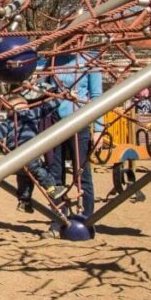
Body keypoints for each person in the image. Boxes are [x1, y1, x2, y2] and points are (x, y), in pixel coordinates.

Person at [0, 84, 68, 213]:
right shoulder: (30, 114)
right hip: (28, 154)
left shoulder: (8, 122)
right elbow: (48, 107)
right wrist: (62, 96)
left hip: (14, 159)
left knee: (24, 178)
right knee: (40, 171)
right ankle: (52, 189)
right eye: (25, 105)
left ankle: (24, 201)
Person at [45, 52, 103, 217]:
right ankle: (58, 218)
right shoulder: (53, 60)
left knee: (82, 173)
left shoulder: (89, 61)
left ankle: (87, 218)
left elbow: (97, 96)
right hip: (55, 123)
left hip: (79, 122)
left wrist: (98, 129)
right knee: (55, 174)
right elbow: (42, 90)